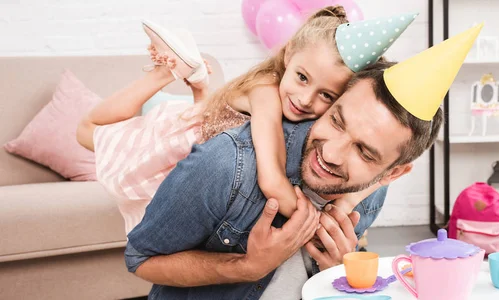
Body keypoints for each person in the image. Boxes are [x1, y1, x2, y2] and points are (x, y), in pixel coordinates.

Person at [123, 24, 483, 299]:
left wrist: (340, 274)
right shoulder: (227, 164)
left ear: (392, 173)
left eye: (364, 152)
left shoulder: (368, 194)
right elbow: (140, 259)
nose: (330, 153)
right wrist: (245, 267)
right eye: (337, 120)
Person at [75, 6, 416, 234]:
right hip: (176, 133)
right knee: (88, 131)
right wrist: (316, 224)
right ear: (287, 56)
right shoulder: (267, 94)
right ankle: (162, 75)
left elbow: (222, 128)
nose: (305, 99)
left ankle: (193, 80)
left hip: (205, 127)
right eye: (301, 77)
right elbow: (272, 177)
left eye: (327, 96)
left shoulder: (314, 118)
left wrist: (352, 198)